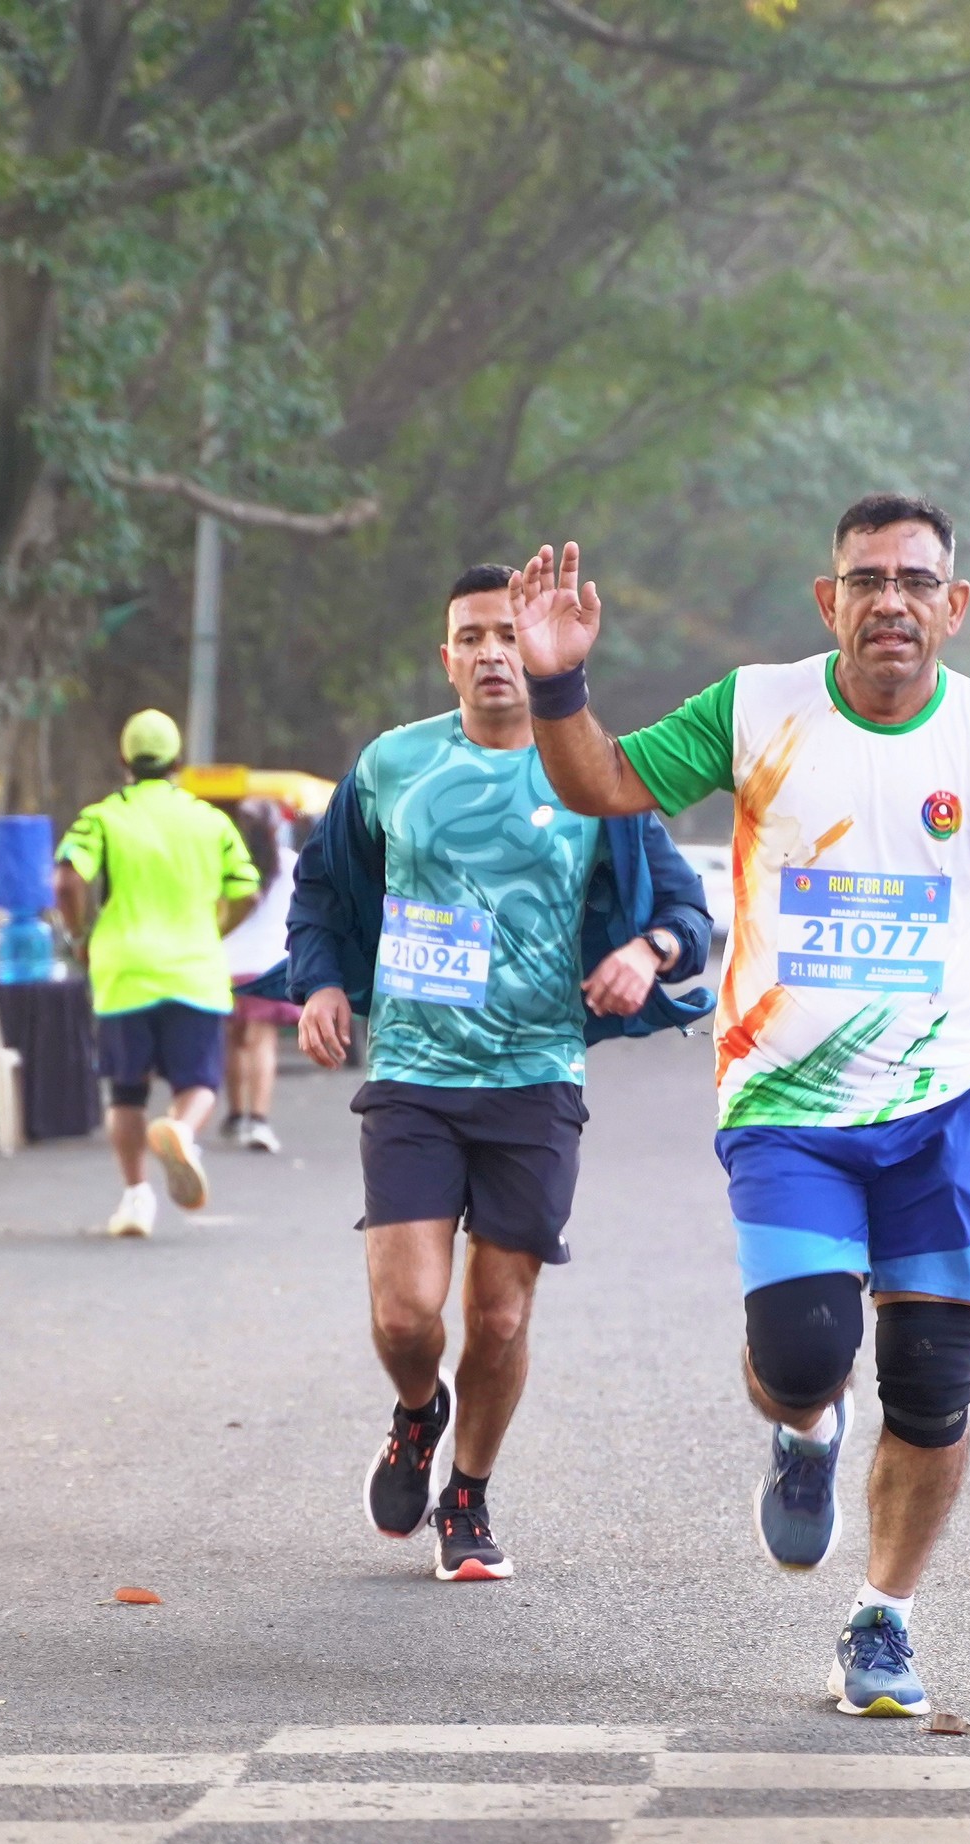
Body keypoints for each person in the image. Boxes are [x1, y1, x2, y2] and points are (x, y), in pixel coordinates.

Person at [507, 494, 970, 1713]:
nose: (892, 602)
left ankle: (883, 1620)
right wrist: (558, 683)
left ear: (953, 606)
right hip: (788, 1099)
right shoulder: (755, 708)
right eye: (867, 580)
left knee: (929, 1382)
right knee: (804, 1356)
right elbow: (602, 781)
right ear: (831, 602)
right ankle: (804, 1428)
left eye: (917, 581)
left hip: (944, 1102)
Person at [287, 563, 714, 1582]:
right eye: (472, 637)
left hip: (535, 1074)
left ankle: (468, 1498)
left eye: (509, 635)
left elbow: (688, 913)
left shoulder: (595, 775)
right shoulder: (393, 765)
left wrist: (646, 950)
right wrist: (321, 984)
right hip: (416, 1071)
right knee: (406, 1314)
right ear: (447, 657)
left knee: (501, 1315)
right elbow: (323, 888)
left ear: (541, 648)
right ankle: (417, 1411)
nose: (492, 654)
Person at [56, 709, 261, 1238]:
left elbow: (67, 881)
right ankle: (180, 1131)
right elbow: (247, 890)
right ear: (178, 762)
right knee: (200, 1083)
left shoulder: (101, 817)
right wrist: (216, 928)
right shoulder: (210, 821)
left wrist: (79, 937)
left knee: (126, 1093)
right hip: (195, 970)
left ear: (124, 760)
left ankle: (135, 1199)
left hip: (124, 971)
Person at [214, 785, 299, 1153]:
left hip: (225, 963)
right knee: (262, 1041)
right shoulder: (292, 864)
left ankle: (235, 1115)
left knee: (235, 1039)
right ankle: (259, 1119)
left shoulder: (227, 862)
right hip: (269, 964)